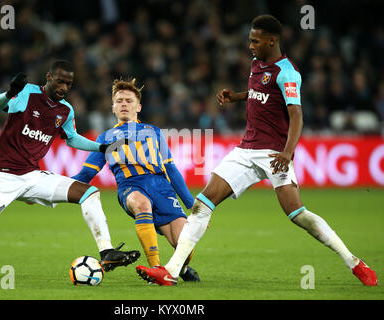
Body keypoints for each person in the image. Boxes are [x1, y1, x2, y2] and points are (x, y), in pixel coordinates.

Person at [136, 15, 378, 286]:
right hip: (245, 150)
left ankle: (354, 262)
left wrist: (287, 153)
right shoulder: (256, 65)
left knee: (298, 215)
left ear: (272, 40)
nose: (250, 45)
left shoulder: (287, 72)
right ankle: (170, 271)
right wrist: (236, 96)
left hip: (274, 153)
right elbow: (260, 93)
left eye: (255, 40)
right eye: (250, 39)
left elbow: (296, 115)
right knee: (202, 205)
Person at [0, 60, 140, 282]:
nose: (64, 87)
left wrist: (101, 147)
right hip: (1, 173)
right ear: (49, 77)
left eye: (68, 84)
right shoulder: (28, 93)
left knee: (90, 193)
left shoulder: (65, 110)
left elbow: (71, 139)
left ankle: (107, 252)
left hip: (32, 176)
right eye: (60, 81)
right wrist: (10, 92)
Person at [72, 78, 200, 282]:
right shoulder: (105, 138)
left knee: (183, 243)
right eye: (120, 100)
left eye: (129, 101)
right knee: (141, 204)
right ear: (112, 107)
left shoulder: (154, 133)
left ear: (138, 106)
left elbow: (171, 169)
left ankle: (181, 270)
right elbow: (85, 175)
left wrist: (191, 204)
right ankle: (156, 268)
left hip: (162, 188)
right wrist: (56, 185)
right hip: (130, 187)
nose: (124, 104)